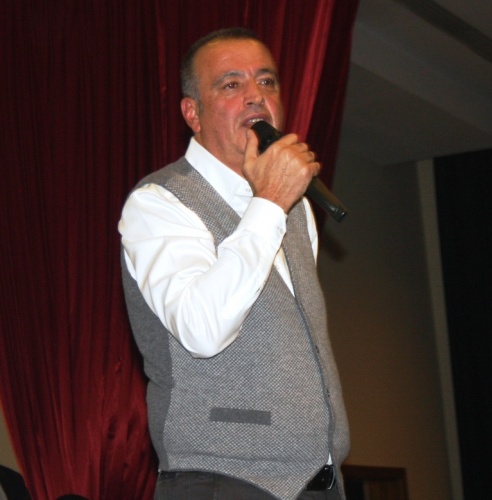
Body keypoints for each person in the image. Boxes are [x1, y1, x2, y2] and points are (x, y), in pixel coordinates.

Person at [119, 27, 349, 500]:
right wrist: (269, 202)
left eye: (266, 82)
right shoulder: (159, 201)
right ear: (192, 113)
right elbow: (202, 330)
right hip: (220, 479)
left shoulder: (296, 208)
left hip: (320, 484)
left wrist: (276, 202)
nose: (255, 96)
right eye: (231, 84)